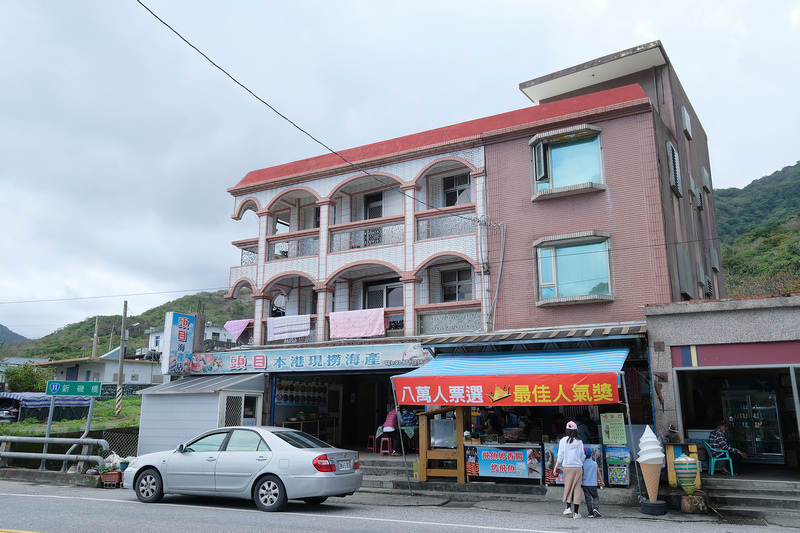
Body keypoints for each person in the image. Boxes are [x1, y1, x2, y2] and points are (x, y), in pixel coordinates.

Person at [552, 421, 585, 518]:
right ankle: (576, 513)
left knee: (568, 486)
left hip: (567, 467)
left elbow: (560, 455)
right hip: (577, 467)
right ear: (575, 431)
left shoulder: (563, 440)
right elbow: (582, 456)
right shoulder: (579, 442)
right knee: (576, 489)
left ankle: (568, 508)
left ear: (567, 430)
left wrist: (555, 467)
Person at [581, 447, 602, 518]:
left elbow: (581, 473)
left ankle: (590, 513)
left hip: (584, 484)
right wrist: (601, 482)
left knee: (588, 499)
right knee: (595, 496)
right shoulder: (594, 463)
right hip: (593, 484)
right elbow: (598, 473)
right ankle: (595, 508)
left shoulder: (582, 464)